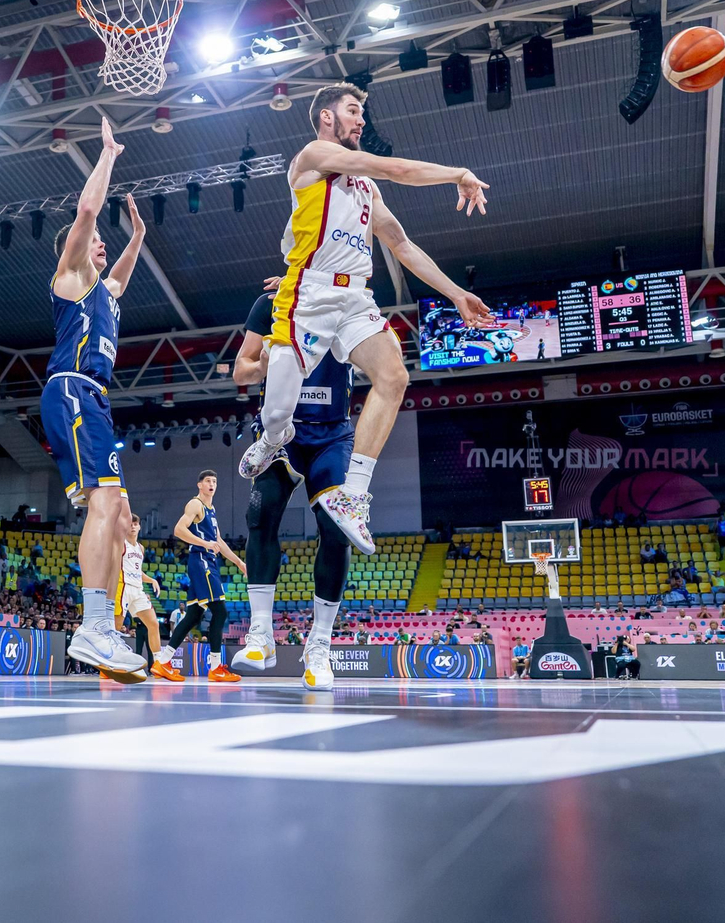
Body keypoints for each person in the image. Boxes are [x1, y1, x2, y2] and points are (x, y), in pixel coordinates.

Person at [237, 82, 490, 553]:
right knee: (277, 414)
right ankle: (273, 437)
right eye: (353, 111)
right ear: (327, 117)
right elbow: (393, 167)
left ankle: (354, 494)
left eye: (362, 113)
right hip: (309, 292)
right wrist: (457, 173)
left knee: (394, 376)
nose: (361, 120)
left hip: (354, 298)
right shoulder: (313, 156)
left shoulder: (366, 191)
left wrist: (457, 294)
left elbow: (403, 246)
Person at [37, 116, 149, 682]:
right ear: (76, 253)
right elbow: (84, 214)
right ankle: (93, 626)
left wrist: (135, 240)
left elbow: (122, 281)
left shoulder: (104, 291)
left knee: (117, 510)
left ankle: (100, 626)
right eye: (96, 241)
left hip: (94, 400)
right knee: (106, 506)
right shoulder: (72, 279)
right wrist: (106, 156)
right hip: (73, 390)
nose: (100, 240)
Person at [229, 285, 355, 691]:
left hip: (331, 434)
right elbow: (240, 370)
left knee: (336, 531)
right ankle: (261, 635)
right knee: (260, 514)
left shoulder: (353, 300)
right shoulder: (269, 302)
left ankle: (319, 645)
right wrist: (266, 361)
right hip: (281, 432)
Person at [164, 470, 247, 681]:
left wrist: (238, 562)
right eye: (208, 481)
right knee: (219, 612)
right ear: (200, 484)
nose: (212, 484)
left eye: (215, 481)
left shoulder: (211, 509)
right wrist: (204, 543)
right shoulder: (195, 505)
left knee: (193, 615)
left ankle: (163, 661)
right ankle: (216, 667)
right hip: (201, 560)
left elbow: (218, 541)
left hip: (208, 560)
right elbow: (178, 529)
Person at [114, 511, 182, 681]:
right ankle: (110, 664)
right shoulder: (120, 544)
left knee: (153, 624)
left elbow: (137, 571)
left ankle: (158, 663)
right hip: (122, 588)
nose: (133, 526)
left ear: (139, 527)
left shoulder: (140, 548)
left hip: (137, 589)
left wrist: (151, 580)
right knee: (115, 629)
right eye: (130, 523)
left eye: (135, 523)